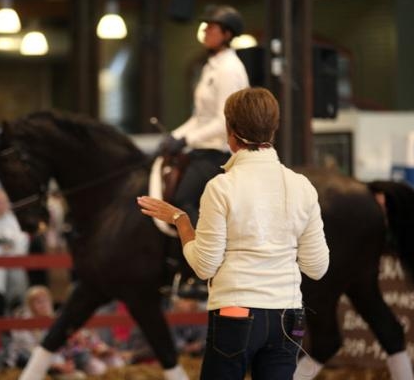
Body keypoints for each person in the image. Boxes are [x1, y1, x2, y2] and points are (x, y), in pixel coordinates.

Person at [138, 87, 330, 380]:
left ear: (231, 132)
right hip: (289, 316)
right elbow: (317, 268)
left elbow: (204, 266)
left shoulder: (221, 187)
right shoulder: (302, 186)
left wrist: (181, 220)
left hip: (237, 313)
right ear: (274, 129)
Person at [158, 4, 250, 225]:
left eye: (212, 27)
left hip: (220, 153)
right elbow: (200, 118)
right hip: (204, 148)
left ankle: (208, 255)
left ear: (227, 34)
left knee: (182, 200)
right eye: (205, 26)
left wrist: (186, 140)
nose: (206, 30)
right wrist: (175, 136)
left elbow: (224, 120)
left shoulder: (229, 69)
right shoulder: (211, 66)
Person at [7, 286, 86, 379]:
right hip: (28, 358)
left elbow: (61, 346)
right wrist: (55, 365)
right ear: (30, 305)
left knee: (81, 362)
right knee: (25, 356)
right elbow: (28, 349)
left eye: (46, 301)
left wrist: (67, 359)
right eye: (39, 302)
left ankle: (62, 370)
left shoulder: (55, 320)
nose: (44, 305)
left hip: (53, 358)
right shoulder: (23, 321)